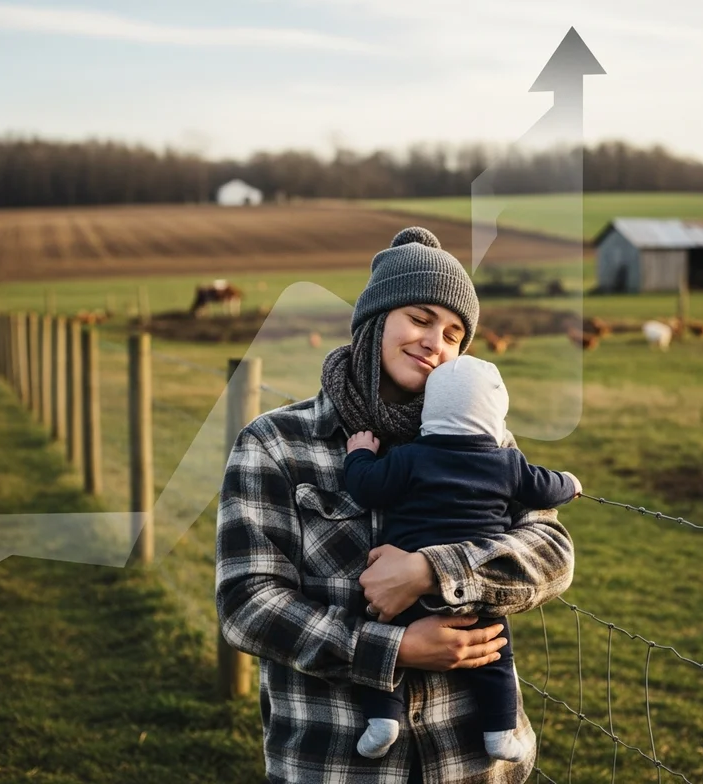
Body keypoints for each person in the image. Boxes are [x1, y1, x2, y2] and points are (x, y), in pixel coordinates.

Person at [215, 226, 575, 784]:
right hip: (333, 763)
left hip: (470, 763)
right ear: (373, 321)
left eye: (455, 333)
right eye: (421, 318)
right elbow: (247, 604)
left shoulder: (487, 444)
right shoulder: (276, 444)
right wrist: (394, 647)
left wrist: (432, 571)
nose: (436, 342)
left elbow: (551, 554)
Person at [344, 355, 582, 763]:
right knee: (495, 654)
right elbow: (545, 488)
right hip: (474, 586)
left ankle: (382, 719)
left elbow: (366, 487)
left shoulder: (409, 456)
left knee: (380, 639)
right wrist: (572, 483)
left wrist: (360, 455)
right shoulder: (507, 463)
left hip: (398, 589)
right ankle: (500, 731)